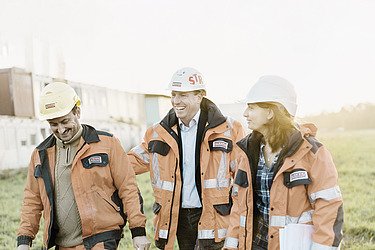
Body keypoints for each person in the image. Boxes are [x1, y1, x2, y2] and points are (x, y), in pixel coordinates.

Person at [16, 82, 151, 250]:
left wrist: (138, 232)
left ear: (77, 112)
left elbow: (128, 188)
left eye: (65, 121)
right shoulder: (40, 154)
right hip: (62, 244)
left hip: (101, 239)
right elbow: (32, 200)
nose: (61, 129)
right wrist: (24, 240)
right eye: (54, 124)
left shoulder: (108, 144)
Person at [127, 67, 245, 249]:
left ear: (200, 96)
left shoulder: (229, 130)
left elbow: (243, 180)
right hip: (177, 216)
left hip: (214, 216)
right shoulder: (158, 133)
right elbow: (128, 163)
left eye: (182, 95)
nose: (176, 101)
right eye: (174, 94)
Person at [224, 75, 344, 250]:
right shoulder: (247, 151)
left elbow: (328, 208)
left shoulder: (313, 153)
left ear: (271, 112)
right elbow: (240, 205)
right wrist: (232, 243)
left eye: (251, 107)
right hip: (253, 244)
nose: (245, 114)